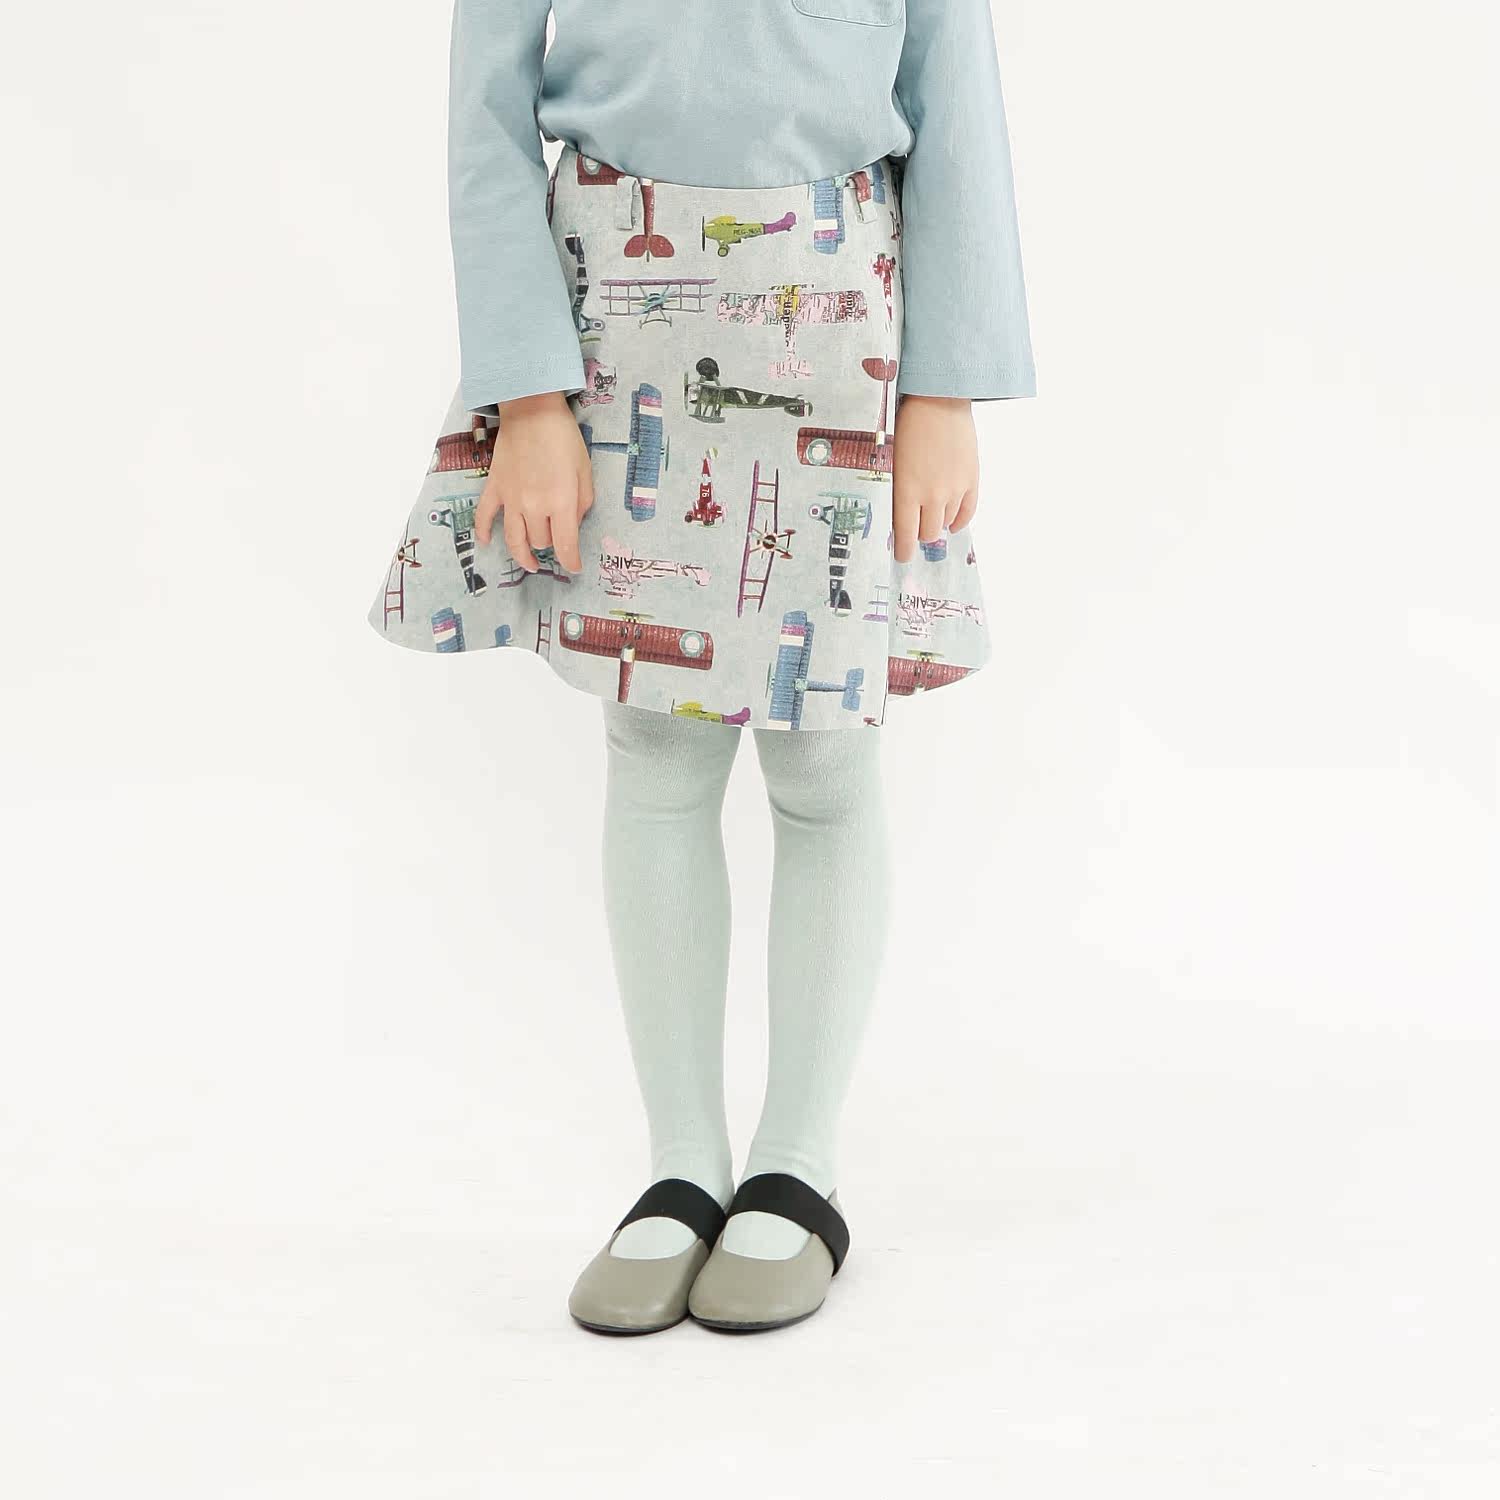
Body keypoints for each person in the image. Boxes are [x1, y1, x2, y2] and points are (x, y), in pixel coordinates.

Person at [369, 0, 1035, 1334]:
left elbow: (955, 95)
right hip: (612, 331)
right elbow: (484, 115)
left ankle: (800, 1165)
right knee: (655, 748)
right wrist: (529, 396)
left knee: (826, 757)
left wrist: (947, 389)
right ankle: (680, 1166)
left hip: (842, 317)